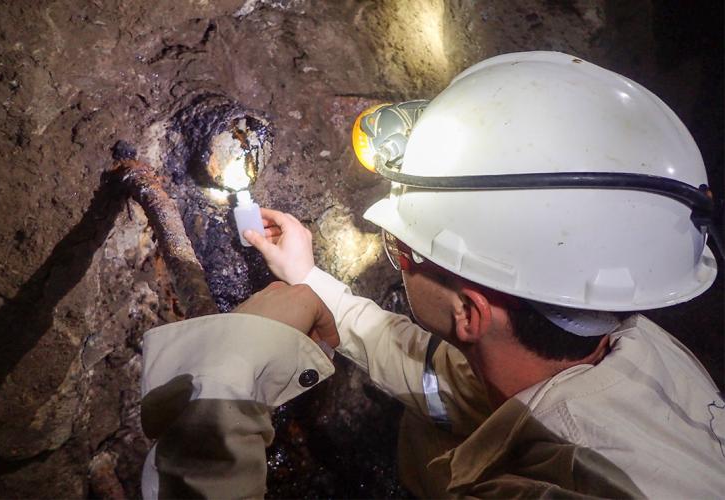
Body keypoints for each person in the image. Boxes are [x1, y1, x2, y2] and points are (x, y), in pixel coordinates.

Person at [141, 52, 725, 498]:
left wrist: (225, 376)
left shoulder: (557, 483)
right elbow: (442, 380)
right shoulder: (619, 341)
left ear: (470, 313)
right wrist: (313, 283)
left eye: (404, 250)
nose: (398, 253)